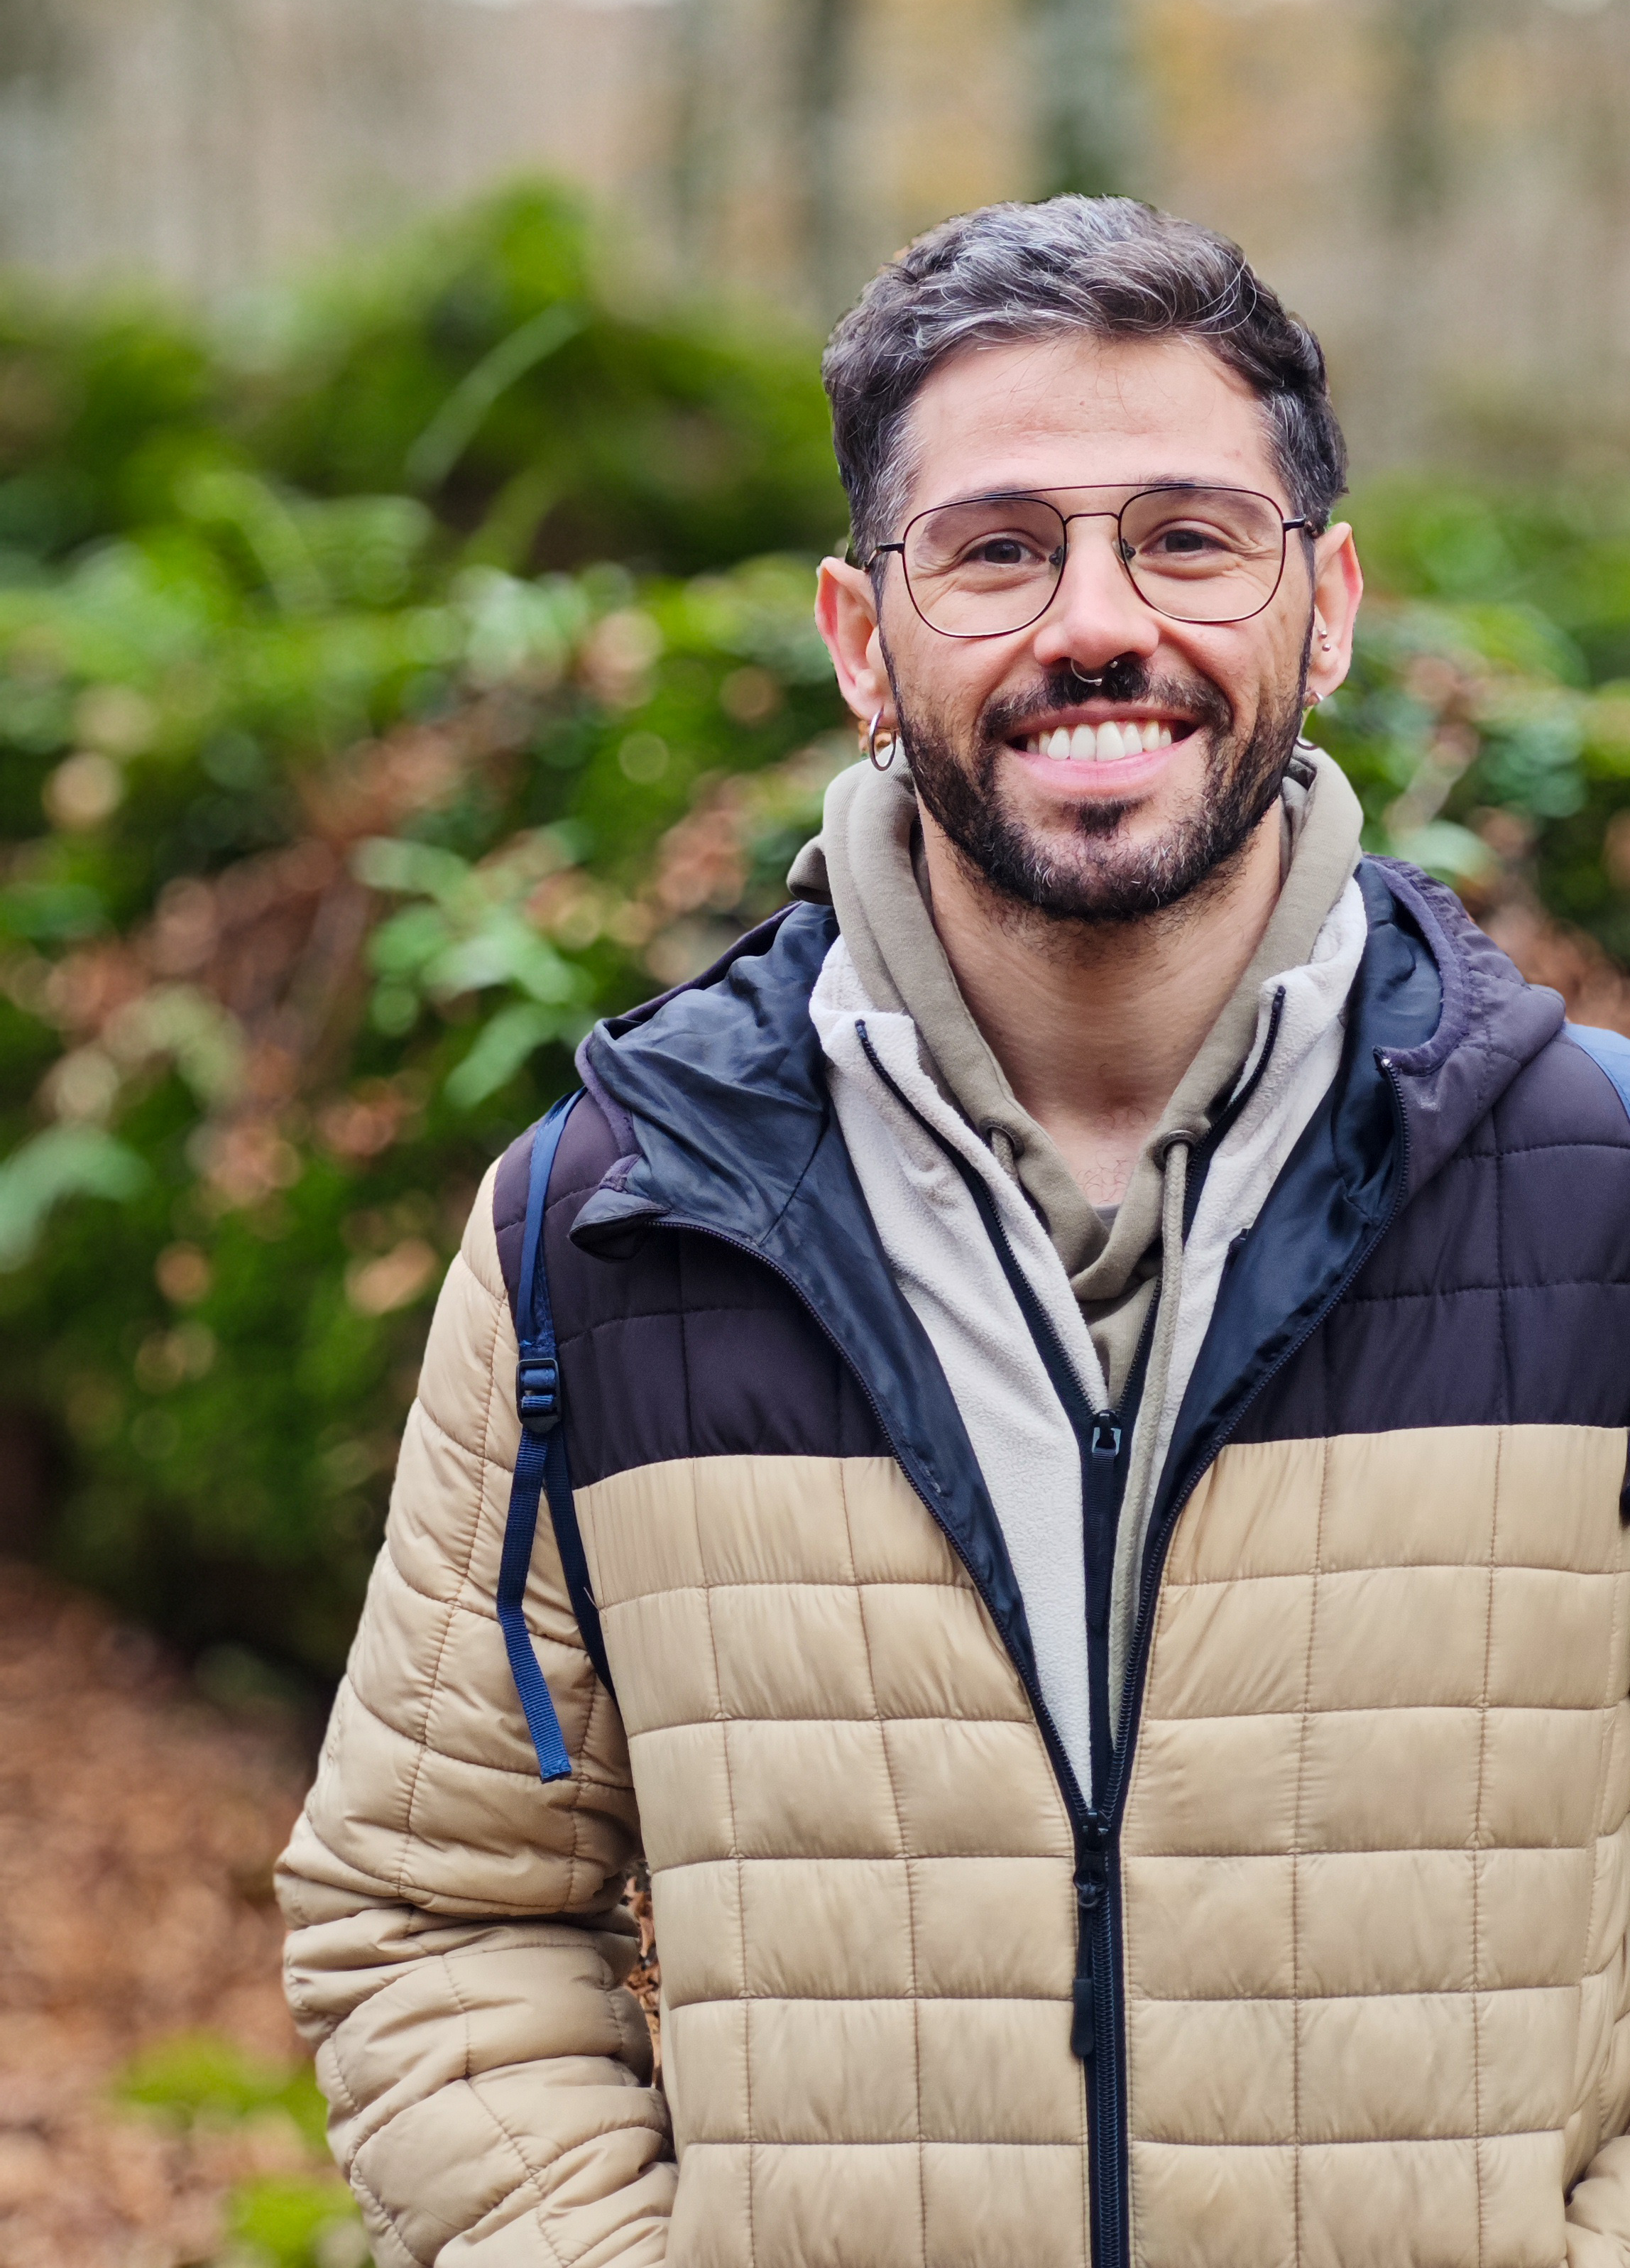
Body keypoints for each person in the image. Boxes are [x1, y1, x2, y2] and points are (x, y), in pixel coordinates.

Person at [279, 195, 1630, 2268]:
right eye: (997, 549)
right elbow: (427, 1910)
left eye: (1189, 538)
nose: (1097, 622)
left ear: (1327, 607)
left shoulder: (1600, 1198)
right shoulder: (609, 1229)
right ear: (859, 638)